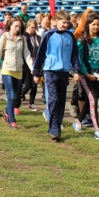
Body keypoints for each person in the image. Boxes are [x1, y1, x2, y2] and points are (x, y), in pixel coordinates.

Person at [33, 10, 81, 141]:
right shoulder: (49, 35)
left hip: (64, 73)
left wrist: (76, 70)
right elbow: (40, 55)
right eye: (63, 22)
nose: (65, 25)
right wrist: (36, 72)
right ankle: (54, 129)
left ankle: (56, 127)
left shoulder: (70, 37)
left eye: (67, 23)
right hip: (50, 72)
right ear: (57, 22)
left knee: (60, 102)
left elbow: (75, 55)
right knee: (53, 100)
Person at [0, 16, 33, 127]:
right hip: (7, 70)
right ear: (10, 26)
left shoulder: (22, 39)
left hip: (18, 70)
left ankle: (6, 111)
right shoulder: (4, 37)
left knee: (15, 96)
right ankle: (12, 120)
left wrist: (32, 67)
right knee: (12, 96)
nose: (18, 29)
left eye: (19, 27)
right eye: (15, 26)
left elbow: (27, 54)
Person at [73, 13, 99, 140]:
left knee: (93, 100)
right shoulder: (82, 41)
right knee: (93, 99)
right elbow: (80, 59)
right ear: (88, 25)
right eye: (93, 25)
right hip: (86, 75)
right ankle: (97, 129)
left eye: (98, 25)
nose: (96, 27)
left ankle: (78, 121)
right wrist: (85, 73)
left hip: (98, 74)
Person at [20, 19, 41, 111]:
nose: (33, 29)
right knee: (28, 85)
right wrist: (27, 34)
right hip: (27, 63)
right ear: (28, 27)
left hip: (36, 63)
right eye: (31, 27)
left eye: (35, 27)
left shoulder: (38, 38)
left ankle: (31, 103)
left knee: (35, 85)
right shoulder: (24, 36)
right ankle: (19, 95)